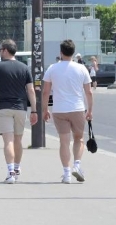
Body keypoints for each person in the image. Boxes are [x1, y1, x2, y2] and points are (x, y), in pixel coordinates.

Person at [0, 39, 38, 184]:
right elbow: (31, 90)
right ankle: (17, 166)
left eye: (0, 50)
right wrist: (34, 110)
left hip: (3, 108)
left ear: (5, 50)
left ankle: (10, 172)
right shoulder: (24, 68)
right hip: (20, 108)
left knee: (8, 140)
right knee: (18, 140)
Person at [42, 39, 93, 183]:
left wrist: (45, 109)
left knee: (64, 142)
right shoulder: (81, 68)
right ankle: (77, 165)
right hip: (77, 108)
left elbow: (46, 92)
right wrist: (89, 110)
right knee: (79, 139)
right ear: (73, 52)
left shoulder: (52, 68)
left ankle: (67, 174)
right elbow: (88, 92)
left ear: (61, 52)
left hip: (59, 109)